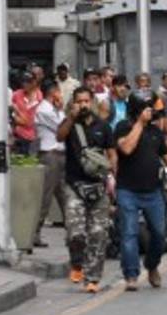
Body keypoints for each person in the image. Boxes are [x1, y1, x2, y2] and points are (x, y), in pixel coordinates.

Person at [114, 91, 167, 290]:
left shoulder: (155, 133)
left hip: (153, 191)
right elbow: (126, 148)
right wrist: (139, 124)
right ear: (137, 109)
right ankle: (131, 275)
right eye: (147, 108)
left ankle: (152, 265)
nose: (151, 111)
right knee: (129, 233)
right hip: (128, 190)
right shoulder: (123, 127)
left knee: (160, 234)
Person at [57, 86, 116, 292]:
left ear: (92, 102)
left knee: (99, 234)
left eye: (85, 101)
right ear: (74, 103)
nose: (83, 105)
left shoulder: (103, 126)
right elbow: (59, 136)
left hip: (98, 186)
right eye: (79, 101)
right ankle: (76, 263)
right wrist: (71, 118)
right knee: (76, 233)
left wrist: (113, 178)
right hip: (74, 185)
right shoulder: (70, 125)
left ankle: (92, 278)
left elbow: (112, 154)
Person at [33, 80, 69, 248]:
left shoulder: (54, 109)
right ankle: (34, 232)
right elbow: (62, 127)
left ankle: (73, 232)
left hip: (61, 155)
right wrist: (62, 111)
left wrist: (61, 109)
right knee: (45, 197)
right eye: (58, 91)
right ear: (53, 91)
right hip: (50, 155)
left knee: (65, 196)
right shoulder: (44, 110)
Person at [11, 73, 43, 155]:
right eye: (23, 82)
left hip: (35, 136)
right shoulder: (16, 95)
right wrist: (21, 119)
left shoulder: (40, 97)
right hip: (19, 136)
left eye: (28, 82)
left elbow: (31, 121)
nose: (25, 84)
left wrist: (20, 115)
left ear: (34, 83)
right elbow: (15, 118)